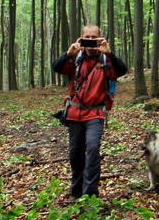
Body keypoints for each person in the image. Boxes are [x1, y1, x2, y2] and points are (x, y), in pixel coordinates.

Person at [52, 25, 127, 199]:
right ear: (81, 38)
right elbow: (57, 67)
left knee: (93, 148)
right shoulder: (75, 59)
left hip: (95, 114)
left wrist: (109, 53)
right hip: (74, 113)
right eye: (87, 37)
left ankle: (90, 193)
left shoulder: (105, 60)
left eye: (94, 37)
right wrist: (68, 53)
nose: (91, 41)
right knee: (76, 153)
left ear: (100, 39)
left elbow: (121, 71)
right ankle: (76, 192)